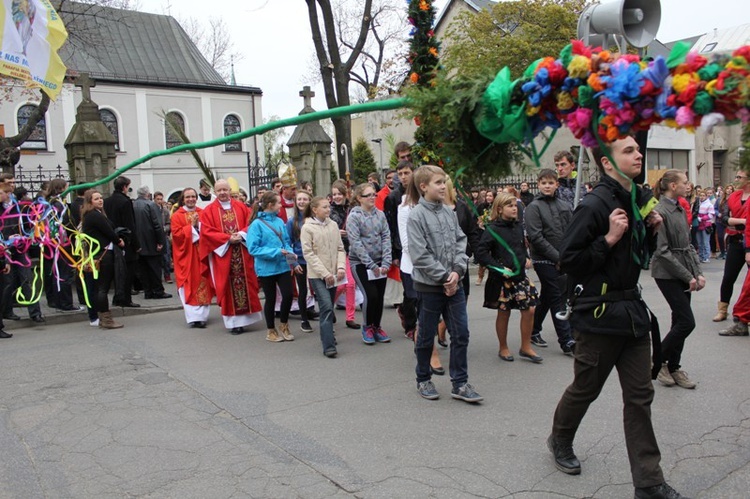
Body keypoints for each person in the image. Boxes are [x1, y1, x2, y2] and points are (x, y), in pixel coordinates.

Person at [547, 136, 687, 499]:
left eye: (637, 149)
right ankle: (560, 438)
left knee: (640, 397)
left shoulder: (638, 197)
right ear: (607, 163)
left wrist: (650, 231)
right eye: (628, 151)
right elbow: (568, 260)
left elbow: (637, 258)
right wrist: (608, 239)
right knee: (586, 389)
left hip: (633, 316)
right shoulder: (594, 204)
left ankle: (649, 482)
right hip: (598, 317)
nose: (638, 154)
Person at [407, 165, 482, 403]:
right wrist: (444, 277)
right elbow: (420, 255)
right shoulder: (416, 215)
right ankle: (423, 379)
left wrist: (458, 272)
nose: (443, 186)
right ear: (423, 187)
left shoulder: (449, 212)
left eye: (443, 182)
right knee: (426, 335)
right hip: (430, 288)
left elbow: (461, 241)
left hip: (454, 285)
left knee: (461, 334)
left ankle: (459, 383)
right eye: (438, 182)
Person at [651, 170, 704, 389]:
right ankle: (657, 360)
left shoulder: (681, 208)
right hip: (666, 273)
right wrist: (686, 275)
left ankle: (674, 366)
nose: (688, 185)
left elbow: (688, 245)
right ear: (673, 185)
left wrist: (697, 272)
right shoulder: (659, 211)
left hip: (683, 269)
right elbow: (662, 252)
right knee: (686, 322)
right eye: (684, 182)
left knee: (678, 321)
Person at [476, 192, 541, 363]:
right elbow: (481, 253)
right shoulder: (493, 229)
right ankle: (503, 347)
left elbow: (520, 246)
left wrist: (526, 257)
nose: (514, 208)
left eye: (515, 205)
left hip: (520, 276)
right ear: (499, 209)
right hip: (502, 279)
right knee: (504, 313)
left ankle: (525, 346)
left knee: (530, 309)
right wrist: (497, 267)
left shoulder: (518, 226)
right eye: (510, 205)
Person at [199, 179, 263, 335]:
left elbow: (253, 224)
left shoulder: (241, 207)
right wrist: (227, 238)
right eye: (219, 190)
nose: (222, 193)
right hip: (224, 255)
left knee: (247, 283)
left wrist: (241, 235)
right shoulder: (208, 211)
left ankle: (247, 319)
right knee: (227, 286)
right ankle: (234, 323)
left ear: (230, 191)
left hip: (243, 251)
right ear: (215, 192)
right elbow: (206, 232)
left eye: (224, 190)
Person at [524, 169, 576, 355]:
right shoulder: (533, 207)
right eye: (543, 182)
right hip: (543, 259)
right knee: (557, 296)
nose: (547, 186)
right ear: (538, 184)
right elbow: (536, 237)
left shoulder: (564, 205)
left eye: (550, 182)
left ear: (557, 184)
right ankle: (567, 340)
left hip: (563, 258)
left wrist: (568, 257)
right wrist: (557, 258)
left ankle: (533, 329)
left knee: (548, 295)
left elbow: (571, 231)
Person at [247, 191, 297, 342]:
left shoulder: (280, 222)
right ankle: (271, 330)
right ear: (270, 205)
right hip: (266, 268)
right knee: (271, 298)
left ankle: (284, 324)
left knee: (288, 295)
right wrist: (276, 251)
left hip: (282, 266)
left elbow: (286, 242)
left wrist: (291, 257)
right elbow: (253, 248)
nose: (281, 205)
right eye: (279, 203)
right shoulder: (256, 225)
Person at [301, 196, 347, 358]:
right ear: (315, 210)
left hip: (334, 274)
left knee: (329, 306)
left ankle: (327, 333)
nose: (329, 210)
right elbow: (309, 254)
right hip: (318, 275)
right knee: (326, 306)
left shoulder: (333, 225)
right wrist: (324, 273)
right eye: (325, 207)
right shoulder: (307, 228)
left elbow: (340, 248)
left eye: (329, 207)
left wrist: (340, 267)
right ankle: (328, 345)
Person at [347, 182, 392, 345]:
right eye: (368, 195)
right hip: (360, 263)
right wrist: (371, 265)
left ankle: (377, 326)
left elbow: (386, 237)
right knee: (370, 295)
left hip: (381, 261)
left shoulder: (380, 215)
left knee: (379, 296)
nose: (373, 198)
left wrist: (386, 261)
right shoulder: (354, 216)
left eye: (374, 194)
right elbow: (355, 242)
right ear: (359, 198)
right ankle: (367, 326)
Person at [81, 189, 126, 329]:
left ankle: (102, 317)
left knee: (99, 288)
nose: (100, 200)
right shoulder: (94, 215)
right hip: (102, 254)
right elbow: (109, 231)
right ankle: (106, 319)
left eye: (101, 198)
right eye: (96, 199)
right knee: (102, 288)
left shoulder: (93, 215)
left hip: (98, 254)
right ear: (90, 202)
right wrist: (119, 241)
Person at [171, 188, 214, 328]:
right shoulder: (177, 216)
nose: (190, 199)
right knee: (189, 284)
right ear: (183, 199)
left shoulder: (203, 213)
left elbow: (209, 232)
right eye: (187, 197)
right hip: (186, 256)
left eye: (193, 196)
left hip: (202, 256)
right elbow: (176, 236)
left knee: (203, 283)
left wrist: (199, 228)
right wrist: (192, 227)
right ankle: (193, 317)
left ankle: (202, 317)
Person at [384, 161, 416, 338]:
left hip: (420, 248)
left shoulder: (420, 193)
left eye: (406, 173)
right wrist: (394, 253)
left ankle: (407, 312)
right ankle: (411, 326)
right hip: (401, 249)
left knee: (416, 292)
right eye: (400, 173)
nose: (403, 177)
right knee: (410, 292)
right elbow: (390, 227)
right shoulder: (393, 198)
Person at [713, 172, 750, 322]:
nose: (735, 180)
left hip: (748, 241)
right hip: (735, 241)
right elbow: (723, 217)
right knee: (728, 277)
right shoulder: (734, 196)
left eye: (739, 177)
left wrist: (734, 221)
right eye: (736, 176)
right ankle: (723, 310)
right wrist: (742, 220)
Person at [104, 176, 141, 308]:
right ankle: (125, 298)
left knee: (117, 272)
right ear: (124, 187)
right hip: (126, 241)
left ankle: (117, 297)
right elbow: (130, 225)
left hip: (112, 239)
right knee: (127, 272)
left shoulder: (107, 201)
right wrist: (136, 245)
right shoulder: (125, 202)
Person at [329, 180, 360, 330]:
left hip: (350, 249)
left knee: (351, 285)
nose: (336, 197)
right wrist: (336, 232)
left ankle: (350, 317)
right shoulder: (328, 210)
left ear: (345, 194)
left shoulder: (352, 209)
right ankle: (329, 306)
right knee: (340, 286)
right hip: (335, 251)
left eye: (339, 194)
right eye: (334, 194)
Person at [133, 186, 172, 300]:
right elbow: (157, 225)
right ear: (148, 194)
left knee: (143, 270)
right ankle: (158, 291)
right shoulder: (151, 205)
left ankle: (148, 292)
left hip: (139, 243)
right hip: (152, 242)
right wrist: (160, 241)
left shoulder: (133, 205)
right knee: (155, 268)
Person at [286, 190, 313, 333]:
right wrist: (293, 264)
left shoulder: (315, 219)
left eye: (305, 199)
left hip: (315, 261)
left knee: (320, 289)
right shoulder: (292, 221)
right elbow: (287, 244)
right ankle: (304, 319)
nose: (302, 202)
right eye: (299, 199)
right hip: (300, 260)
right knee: (303, 290)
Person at [154, 191, 173, 283]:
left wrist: (164, 228)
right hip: (154, 236)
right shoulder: (151, 209)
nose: (159, 201)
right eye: (157, 199)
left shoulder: (165, 211)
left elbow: (169, 223)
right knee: (157, 257)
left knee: (166, 256)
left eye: (161, 199)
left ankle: (167, 275)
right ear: (154, 199)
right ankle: (158, 276)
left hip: (164, 235)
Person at [696, 189, 715, 263]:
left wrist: (702, 218)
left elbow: (711, 214)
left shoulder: (709, 204)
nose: (702, 197)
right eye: (700, 195)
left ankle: (706, 256)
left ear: (706, 196)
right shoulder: (698, 204)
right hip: (698, 224)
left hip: (706, 224)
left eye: (703, 195)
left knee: (705, 241)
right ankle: (701, 256)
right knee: (699, 242)